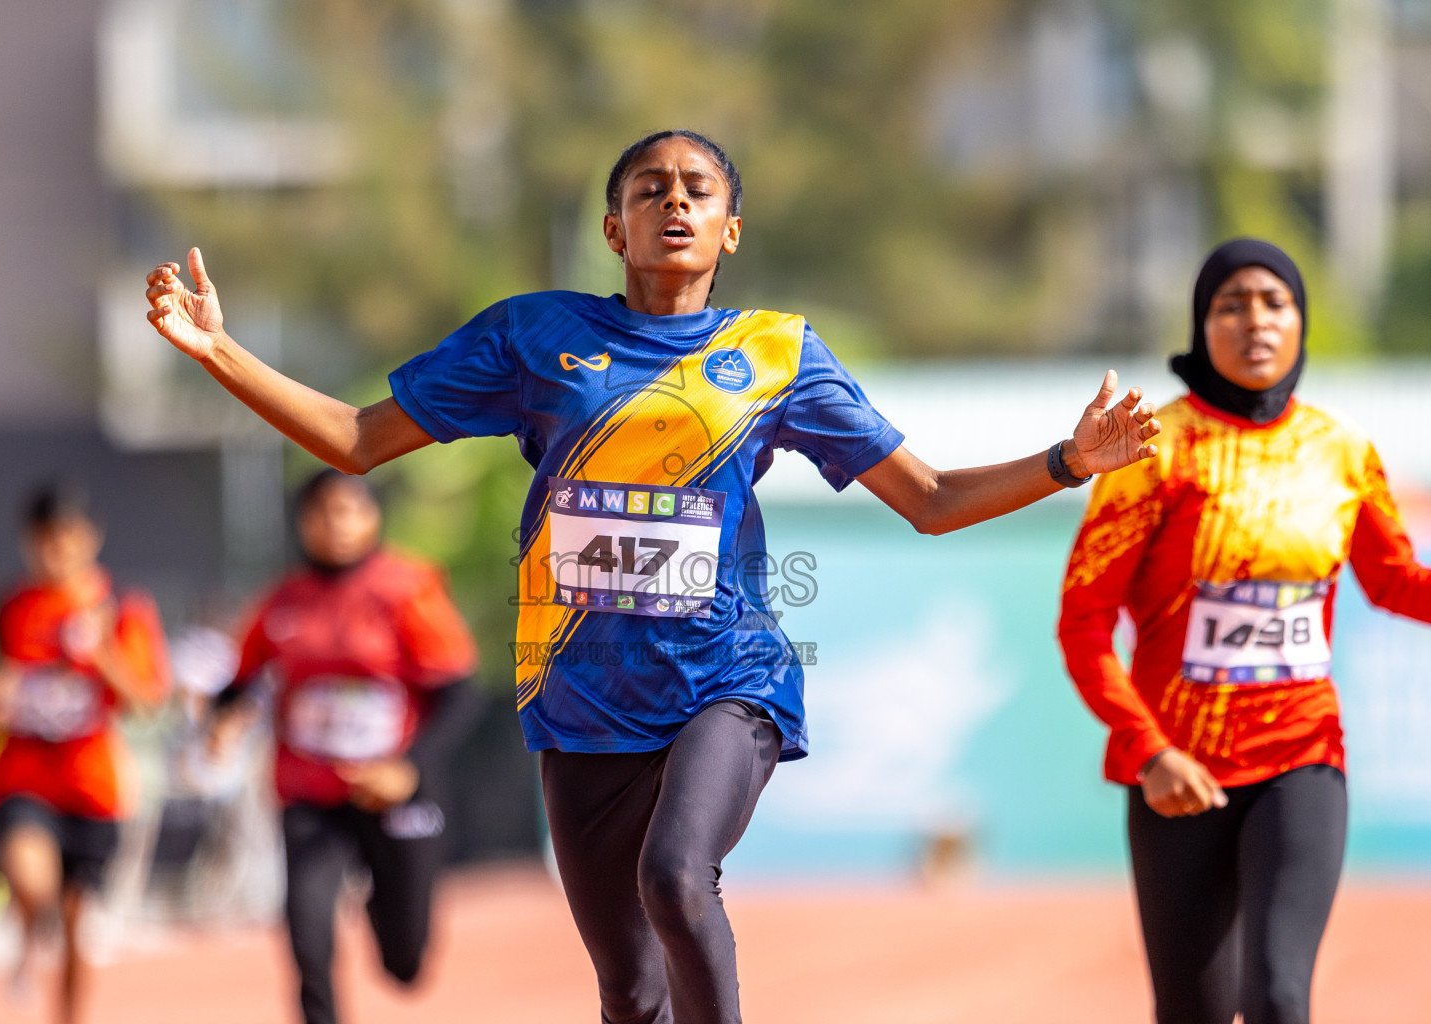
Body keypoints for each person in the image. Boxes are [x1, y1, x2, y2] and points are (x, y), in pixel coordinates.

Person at [146, 128, 1161, 1024]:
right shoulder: (535, 338)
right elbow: (360, 440)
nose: (674, 200)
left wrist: (1068, 460)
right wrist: (217, 351)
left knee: (677, 876)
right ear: (612, 228)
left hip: (727, 677)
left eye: (697, 189)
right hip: (582, 698)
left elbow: (930, 497)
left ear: (729, 231)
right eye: (649, 188)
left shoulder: (777, 354)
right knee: (630, 995)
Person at [1058, 238, 1431, 1024]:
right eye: (1231, 305)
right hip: (1177, 770)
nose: (1254, 321)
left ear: (1300, 322)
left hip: (1301, 756)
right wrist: (1149, 751)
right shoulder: (1151, 450)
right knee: (1192, 1009)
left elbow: (1396, 581)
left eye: (1274, 302)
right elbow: (1084, 623)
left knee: (1278, 996)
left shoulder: (1342, 452)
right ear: (1203, 326)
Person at [206, 468, 482, 1024]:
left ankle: (386, 904)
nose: (337, 524)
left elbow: (460, 695)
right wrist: (224, 719)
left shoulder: (406, 590)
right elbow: (237, 683)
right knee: (307, 933)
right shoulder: (282, 601)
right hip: (311, 795)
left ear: (373, 516)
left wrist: (408, 768)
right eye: (323, 512)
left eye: (350, 510)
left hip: (395, 791)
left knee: (406, 964)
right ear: (303, 522)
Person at [0, 483, 170, 1024]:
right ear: (27, 542)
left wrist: (102, 651)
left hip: (91, 785)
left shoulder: (123, 606)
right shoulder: (9, 607)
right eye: (43, 541)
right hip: (24, 777)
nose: (55, 553)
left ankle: (67, 1016)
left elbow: (147, 701)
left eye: (67, 540)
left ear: (91, 538)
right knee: (29, 875)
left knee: (74, 921)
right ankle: (22, 943)